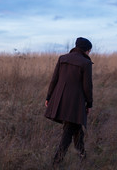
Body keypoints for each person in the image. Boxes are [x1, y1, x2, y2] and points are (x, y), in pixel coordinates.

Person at [44, 37, 93, 167]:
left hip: (60, 101)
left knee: (77, 130)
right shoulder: (86, 63)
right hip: (75, 104)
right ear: (86, 50)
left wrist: (48, 98)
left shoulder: (62, 58)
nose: (89, 54)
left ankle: (83, 157)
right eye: (89, 51)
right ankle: (56, 162)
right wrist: (90, 104)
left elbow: (54, 80)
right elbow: (87, 87)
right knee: (68, 133)